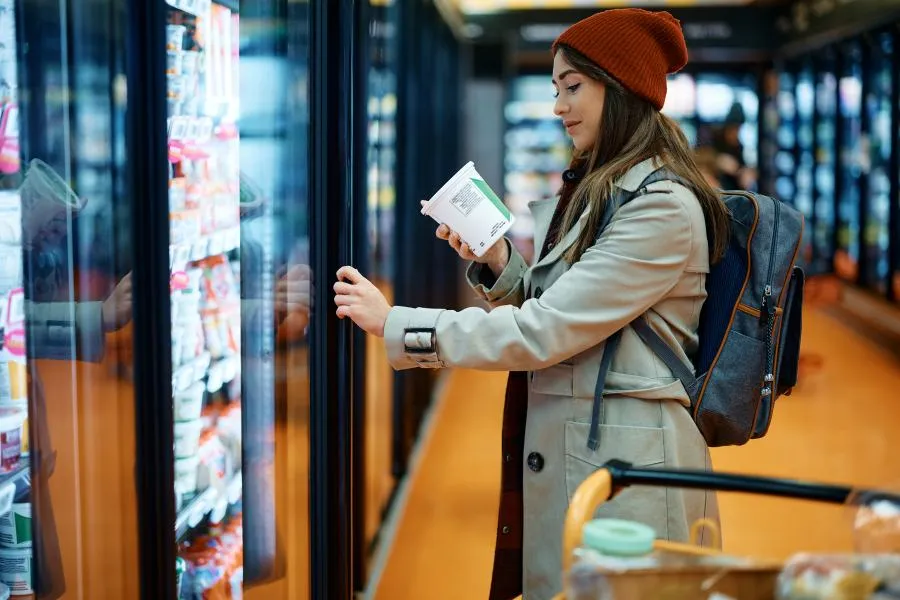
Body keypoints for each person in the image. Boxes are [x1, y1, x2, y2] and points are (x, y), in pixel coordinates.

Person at [334, 9, 729, 599]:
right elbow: (565, 308)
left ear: (619, 90)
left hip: (631, 474)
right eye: (555, 89)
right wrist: (497, 260)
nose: (559, 106)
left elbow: (543, 331)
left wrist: (397, 324)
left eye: (573, 87)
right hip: (599, 455)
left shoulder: (661, 208)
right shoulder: (605, 188)